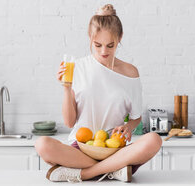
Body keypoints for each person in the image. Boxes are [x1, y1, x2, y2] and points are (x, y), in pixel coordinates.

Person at [34, 4, 162, 183]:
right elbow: (70, 122)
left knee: (154, 140)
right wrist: (66, 88)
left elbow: (136, 117)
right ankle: (113, 170)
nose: (104, 52)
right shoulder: (77, 67)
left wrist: (129, 127)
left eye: (110, 45)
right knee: (42, 145)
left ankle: (85, 174)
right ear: (90, 38)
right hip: (82, 149)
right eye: (97, 45)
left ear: (120, 38)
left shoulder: (131, 72)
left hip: (115, 148)